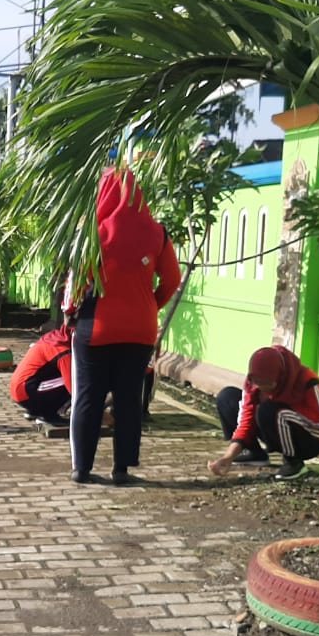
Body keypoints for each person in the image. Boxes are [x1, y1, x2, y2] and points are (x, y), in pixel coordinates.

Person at [68, 168, 182, 485]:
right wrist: (148, 307)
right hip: (139, 331)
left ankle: (82, 468)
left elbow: (77, 284)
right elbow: (172, 280)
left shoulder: (92, 233)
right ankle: (122, 469)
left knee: (88, 398)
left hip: (97, 329)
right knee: (128, 399)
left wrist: (70, 313)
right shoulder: (157, 232)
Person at [208, 345, 319, 481]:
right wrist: (228, 457)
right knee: (227, 397)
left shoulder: (307, 380)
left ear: (280, 377)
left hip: (312, 438)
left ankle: (293, 462)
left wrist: (288, 411)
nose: (263, 389)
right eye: (258, 384)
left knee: (270, 410)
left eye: (269, 385)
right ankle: (254, 453)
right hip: (275, 424)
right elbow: (246, 421)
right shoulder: (253, 383)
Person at [10, 323, 73, 425]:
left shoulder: (51, 338)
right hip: (28, 394)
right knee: (77, 381)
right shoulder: (63, 351)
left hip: (19, 391)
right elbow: (73, 387)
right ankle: (48, 415)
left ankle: (35, 411)